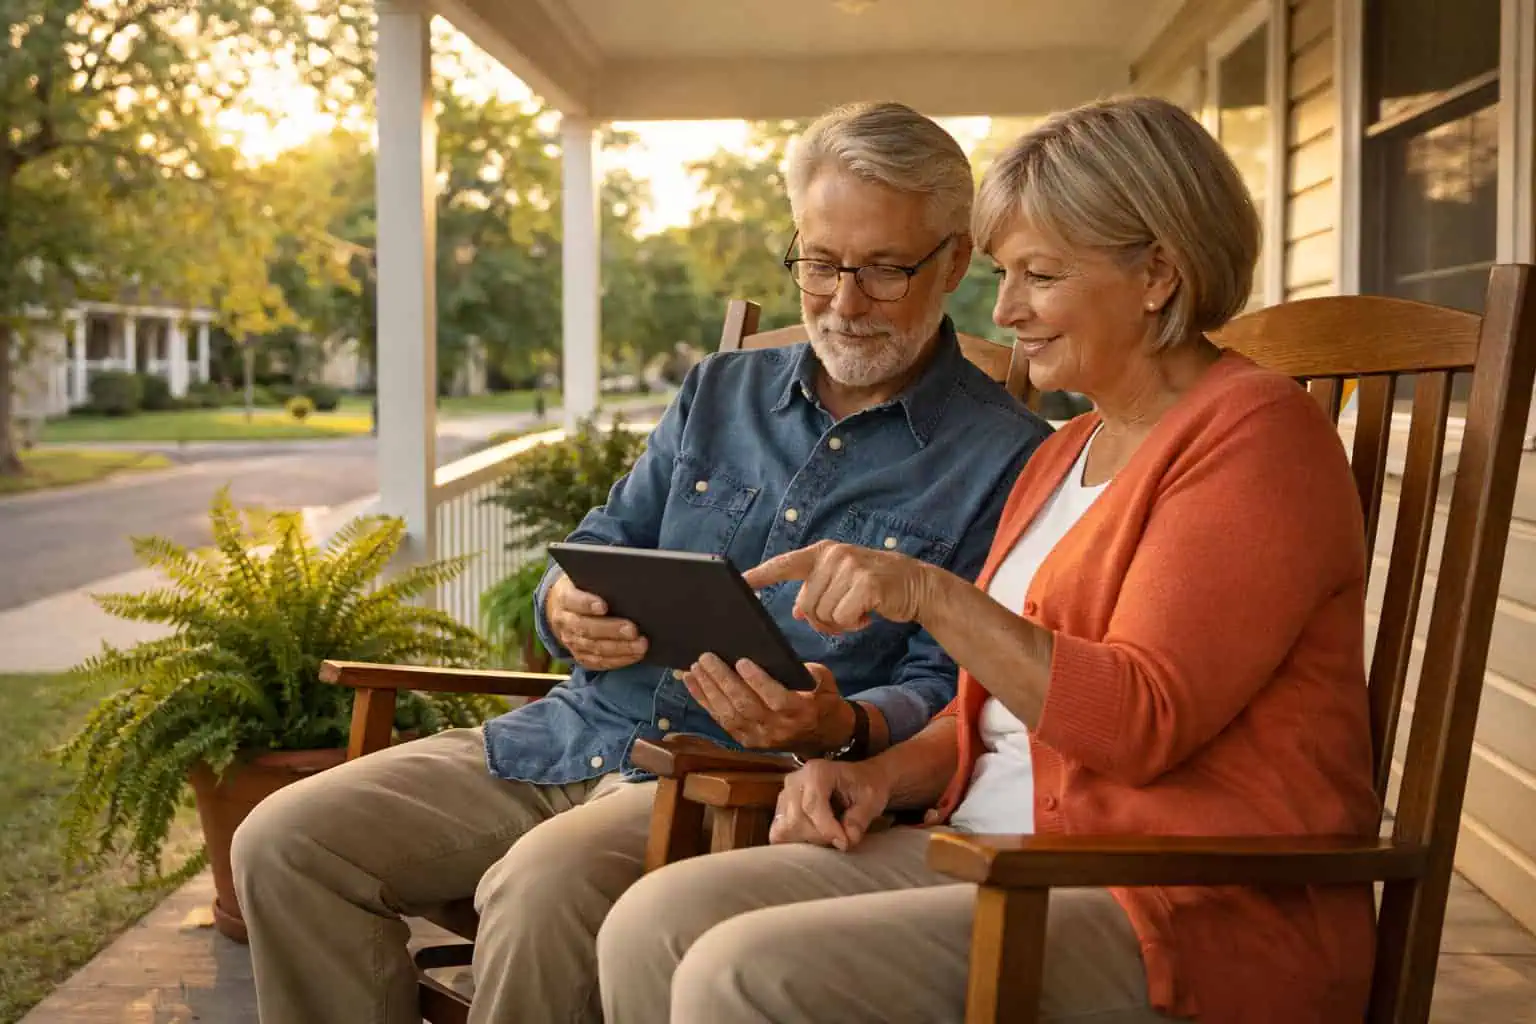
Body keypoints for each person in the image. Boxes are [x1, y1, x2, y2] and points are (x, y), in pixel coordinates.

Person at [230, 100, 1051, 1024]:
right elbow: (600, 544)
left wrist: (842, 721)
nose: (844, 302)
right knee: (285, 841)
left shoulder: (1008, 456)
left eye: (883, 270)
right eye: (819, 264)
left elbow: (954, 689)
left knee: (539, 894)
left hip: (736, 786)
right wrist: (564, 603)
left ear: (949, 262)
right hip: (575, 731)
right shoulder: (716, 391)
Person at [596, 95, 1381, 1024]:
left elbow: (1135, 724)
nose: (1005, 312)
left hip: (1174, 901)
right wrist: (878, 773)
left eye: (1039, 276)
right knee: (654, 920)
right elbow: (1000, 718)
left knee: (740, 972)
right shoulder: (1065, 451)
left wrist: (929, 594)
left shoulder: (1254, 437)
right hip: (994, 852)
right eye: (1005, 274)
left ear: (1157, 275)